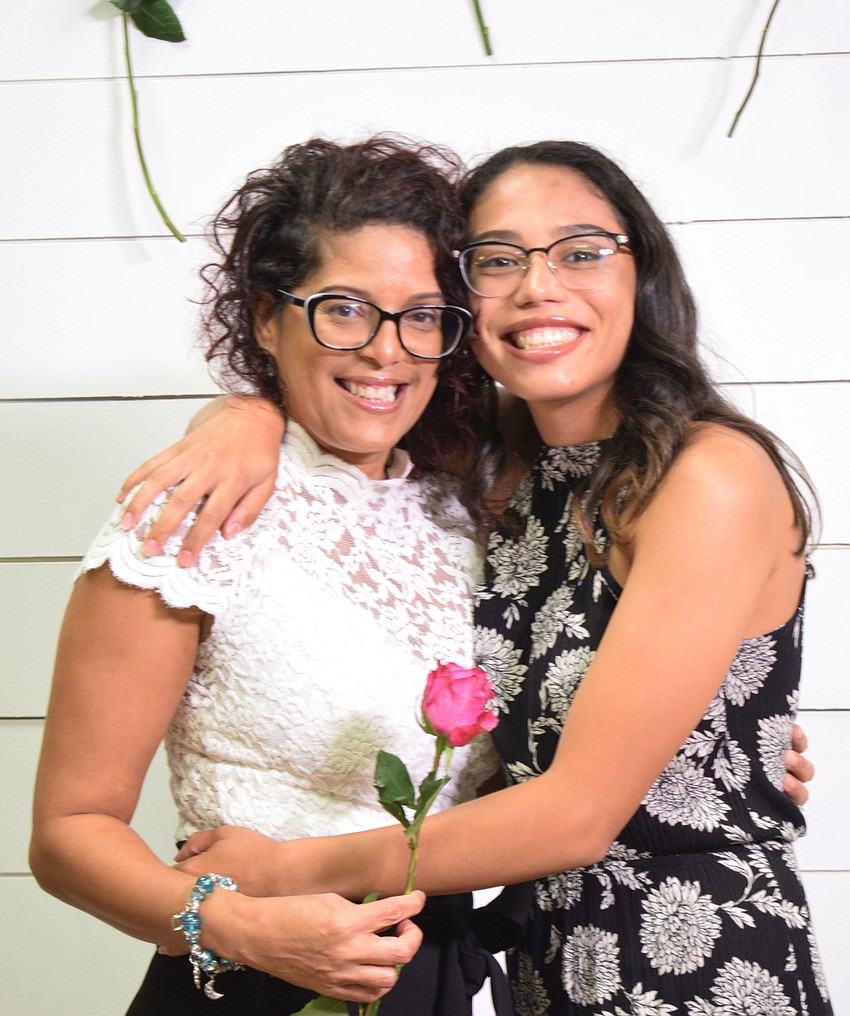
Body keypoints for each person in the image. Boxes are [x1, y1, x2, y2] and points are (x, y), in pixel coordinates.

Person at [122, 139, 830, 1014]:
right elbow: (351, 384)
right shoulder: (499, 470)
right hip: (544, 961)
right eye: (497, 260)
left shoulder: (709, 476)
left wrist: (282, 869)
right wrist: (244, 414)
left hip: (697, 964)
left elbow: (574, 815)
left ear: (641, 273)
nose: (539, 287)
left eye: (580, 251)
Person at [29, 136, 515, 1016]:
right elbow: (68, 835)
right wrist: (243, 931)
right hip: (255, 985)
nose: (386, 352)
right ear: (265, 318)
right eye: (344, 310)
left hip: (439, 982)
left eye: (422, 315)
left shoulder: (466, 510)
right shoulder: (194, 510)